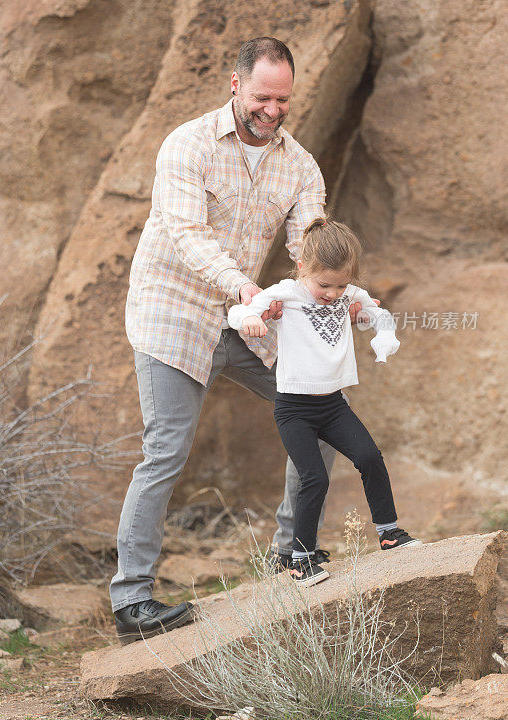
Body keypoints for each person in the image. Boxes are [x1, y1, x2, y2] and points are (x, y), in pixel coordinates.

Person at [112, 37, 372, 644]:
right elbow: (186, 236)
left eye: (283, 99)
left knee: (329, 415)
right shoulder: (187, 145)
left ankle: (292, 553)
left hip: (247, 318)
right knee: (166, 451)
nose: (273, 110)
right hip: (173, 314)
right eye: (262, 97)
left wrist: (349, 296)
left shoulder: (300, 165)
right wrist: (245, 293)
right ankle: (132, 602)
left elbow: (312, 250)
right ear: (235, 84)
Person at [228, 218, 422, 587]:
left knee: (369, 458)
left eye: (341, 284)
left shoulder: (349, 295)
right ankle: (300, 557)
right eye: (324, 284)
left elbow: (378, 314)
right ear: (303, 268)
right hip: (294, 409)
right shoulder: (287, 293)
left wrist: (381, 332)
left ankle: (389, 532)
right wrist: (251, 318)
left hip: (333, 405)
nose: (332, 293)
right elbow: (241, 310)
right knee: (313, 477)